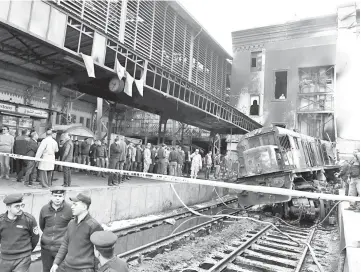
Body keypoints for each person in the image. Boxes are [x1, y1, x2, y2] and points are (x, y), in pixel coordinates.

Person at [50, 193, 103, 272]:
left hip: (84, 268)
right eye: (72, 204)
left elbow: (100, 251)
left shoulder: (93, 226)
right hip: (67, 266)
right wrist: (56, 263)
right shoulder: (71, 223)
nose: (72, 207)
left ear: (84, 207)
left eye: (75, 204)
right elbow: (65, 244)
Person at [0, 193, 39, 272]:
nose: (20, 208)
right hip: (5, 259)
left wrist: (27, 252)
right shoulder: (1, 221)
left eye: (22, 205)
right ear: (8, 207)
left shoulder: (29, 219)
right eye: (17, 206)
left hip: (23, 258)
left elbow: (35, 238)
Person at [39, 187, 73, 272]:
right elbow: (42, 225)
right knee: (46, 270)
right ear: (51, 196)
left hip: (61, 248)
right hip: (45, 248)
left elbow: (73, 227)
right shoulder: (44, 209)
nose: (57, 198)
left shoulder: (70, 209)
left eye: (60, 196)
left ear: (63, 196)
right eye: (55, 195)